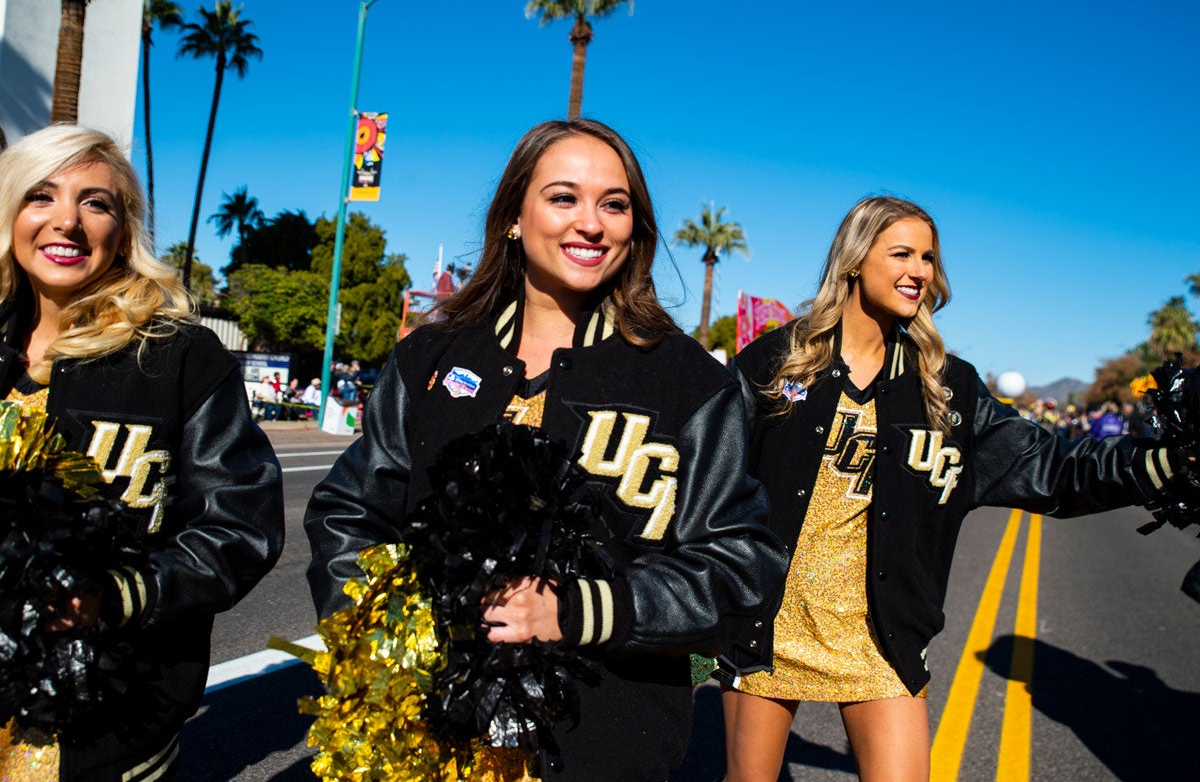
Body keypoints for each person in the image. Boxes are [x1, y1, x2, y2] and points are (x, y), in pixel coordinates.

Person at [304, 119, 788, 781]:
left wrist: (576, 608)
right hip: (427, 739)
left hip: (604, 749)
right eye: (563, 197)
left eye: (614, 204)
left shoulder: (690, 383)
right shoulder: (430, 359)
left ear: (635, 229)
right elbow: (348, 513)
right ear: (512, 217)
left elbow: (740, 568)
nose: (591, 223)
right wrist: (386, 628)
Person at [719, 195, 1190, 782]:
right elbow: (707, 479)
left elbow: (1053, 468)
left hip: (881, 634)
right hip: (771, 623)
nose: (920, 270)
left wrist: (1166, 463)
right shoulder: (780, 361)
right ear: (854, 259)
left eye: (928, 258)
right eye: (902, 253)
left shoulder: (947, 387)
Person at [0, 124, 284, 781]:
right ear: (13, 210)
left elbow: (241, 525)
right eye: (41, 195)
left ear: (123, 229)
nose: (65, 222)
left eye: (95, 203)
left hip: (109, 736)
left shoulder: (178, 356)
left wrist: (118, 594)